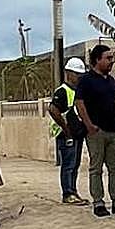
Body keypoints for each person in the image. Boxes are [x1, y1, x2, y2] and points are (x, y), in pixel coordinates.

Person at [74, 44, 115, 218]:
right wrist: (89, 126)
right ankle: (98, 202)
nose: (111, 61)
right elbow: (79, 103)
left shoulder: (111, 81)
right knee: (96, 168)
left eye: (111, 58)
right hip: (96, 132)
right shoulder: (86, 80)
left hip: (113, 131)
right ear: (97, 59)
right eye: (108, 58)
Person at [47, 57, 87, 204]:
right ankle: (67, 193)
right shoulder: (63, 91)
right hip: (66, 135)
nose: (79, 77)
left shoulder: (78, 91)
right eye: (77, 74)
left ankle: (73, 191)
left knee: (75, 164)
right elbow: (53, 109)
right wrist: (66, 129)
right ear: (68, 73)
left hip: (77, 133)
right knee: (68, 165)